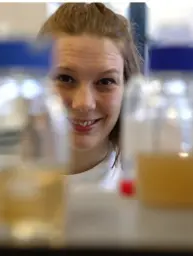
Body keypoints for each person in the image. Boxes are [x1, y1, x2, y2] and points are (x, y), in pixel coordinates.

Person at [38, 3, 142, 191]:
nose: (84, 104)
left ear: (127, 88)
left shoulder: (148, 185)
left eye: (105, 81)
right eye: (65, 78)